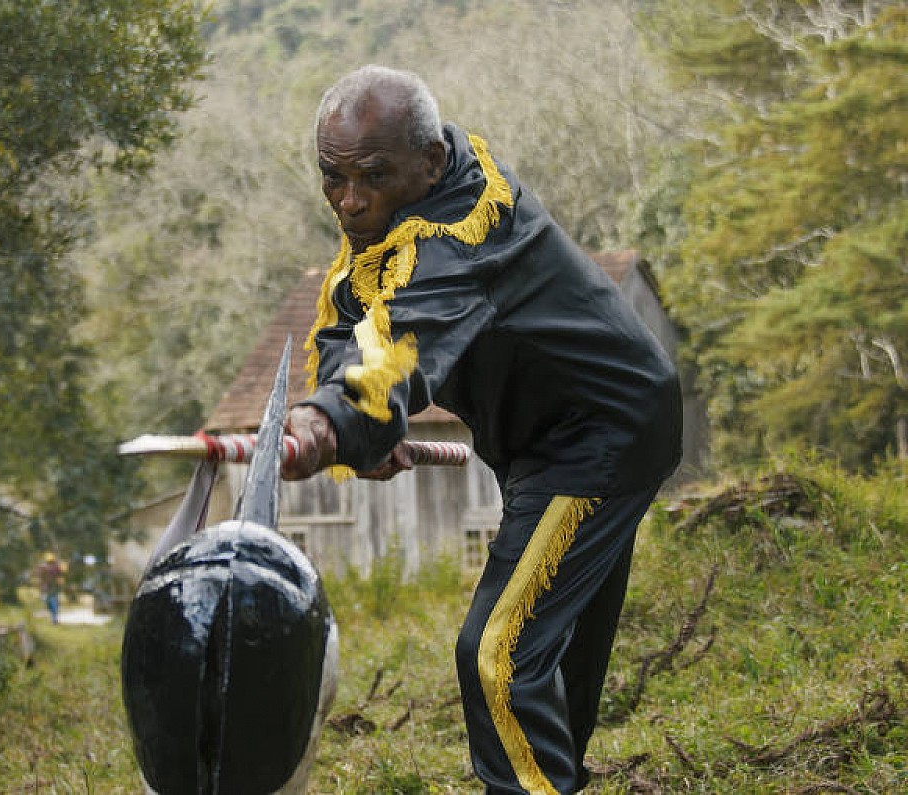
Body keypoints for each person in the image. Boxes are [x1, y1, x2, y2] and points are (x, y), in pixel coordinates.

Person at [281, 65, 682, 795]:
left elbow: (398, 338)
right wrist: (349, 423)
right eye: (332, 178)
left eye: (371, 175)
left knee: (499, 652)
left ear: (430, 160)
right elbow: (352, 315)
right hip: (544, 440)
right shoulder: (401, 207)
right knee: (551, 653)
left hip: (601, 435)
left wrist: (337, 418)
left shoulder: (460, 231)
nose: (349, 200)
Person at [37, 552, 65, 624]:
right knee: (48, 602)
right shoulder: (44, 567)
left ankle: (54, 619)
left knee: (53, 602)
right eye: (49, 562)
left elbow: (61, 575)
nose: (51, 564)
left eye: (51, 562)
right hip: (47, 587)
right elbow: (41, 577)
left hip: (53, 587)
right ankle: (54, 617)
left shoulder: (57, 567)